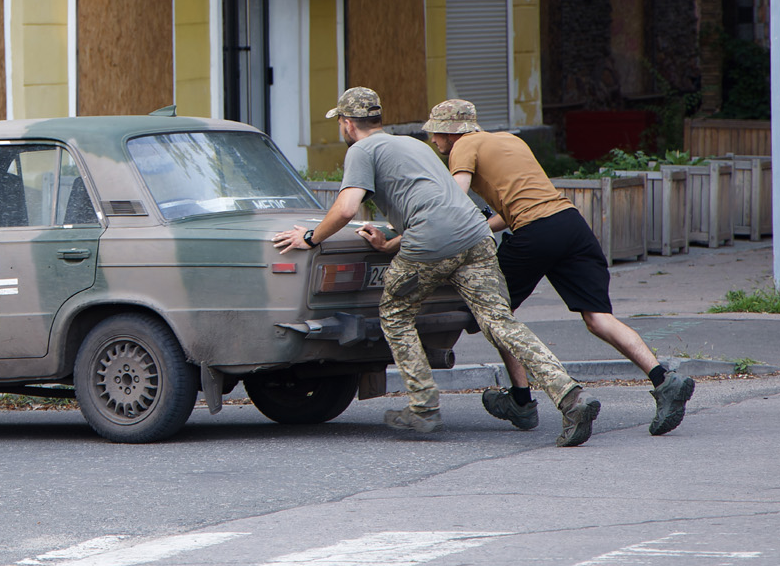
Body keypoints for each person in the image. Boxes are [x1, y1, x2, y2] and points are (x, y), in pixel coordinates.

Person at [272, 87, 602, 447]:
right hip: (475, 236)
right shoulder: (414, 146)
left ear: (347, 124)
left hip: (432, 240)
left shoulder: (363, 150)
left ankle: (423, 408)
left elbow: (347, 208)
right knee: (500, 322)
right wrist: (390, 243)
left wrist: (310, 237)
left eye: (340, 122)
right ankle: (571, 397)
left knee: (395, 312)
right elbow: (438, 203)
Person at [424, 98, 695, 437]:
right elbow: (516, 206)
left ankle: (522, 402)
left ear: (450, 131)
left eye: (434, 133)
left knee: (497, 316)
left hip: (535, 232)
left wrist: (421, 234)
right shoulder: (510, 140)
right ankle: (664, 380)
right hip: (570, 224)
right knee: (598, 318)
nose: (433, 141)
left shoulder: (463, 146)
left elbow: (455, 199)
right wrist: (481, 225)